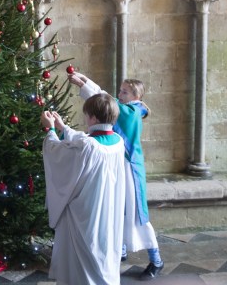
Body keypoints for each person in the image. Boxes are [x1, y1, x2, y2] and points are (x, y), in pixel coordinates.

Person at [68, 72, 164, 281]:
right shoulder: (130, 108)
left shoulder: (132, 112)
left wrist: (85, 86)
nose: (119, 94)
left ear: (136, 96)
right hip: (119, 165)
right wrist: (86, 81)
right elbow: (108, 98)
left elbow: (106, 104)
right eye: (120, 90)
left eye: (124, 92)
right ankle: (120, 250)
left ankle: (156, 260)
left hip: (130, 168)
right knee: (118, 208)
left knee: (137, 214)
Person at [41, 93, 126, 285]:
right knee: (103, 249)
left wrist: (51, 130)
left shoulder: (89, 146)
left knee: (84, 260)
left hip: (85, 213)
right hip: (107, 210)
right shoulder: (117, 142)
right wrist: (63, 127)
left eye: (86, 114)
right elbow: (85, 140)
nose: (85, 118)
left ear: (94, 118)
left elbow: (59, 152)